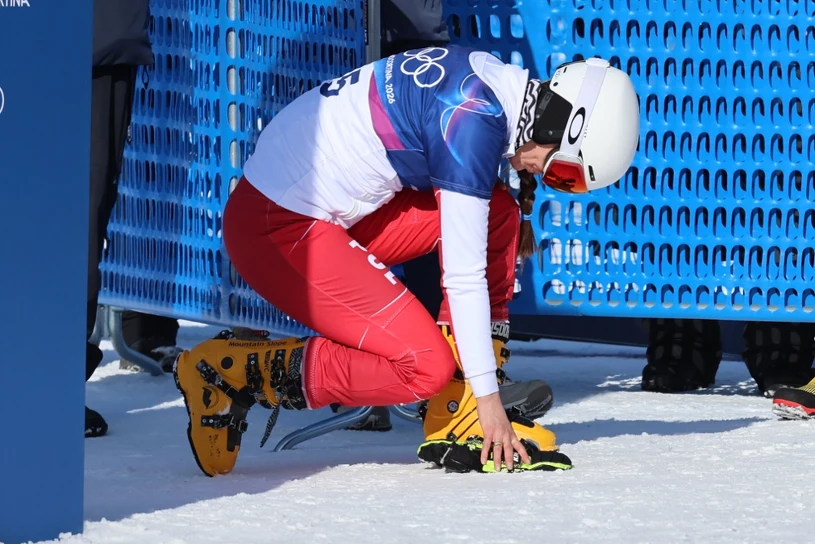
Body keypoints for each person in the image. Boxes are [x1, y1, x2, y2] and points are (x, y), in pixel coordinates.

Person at [172, 45, 640, 476]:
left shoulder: (496, 85)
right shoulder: (471, 118)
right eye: (564, 173)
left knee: (500, 214)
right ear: (560, 125)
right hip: (276, 231)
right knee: (422, 367)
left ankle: (456, 410)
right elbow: (463, 278)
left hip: (309, 213)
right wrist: (492, 402)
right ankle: (232, 372)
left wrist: (482, 393)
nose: (552, 180)